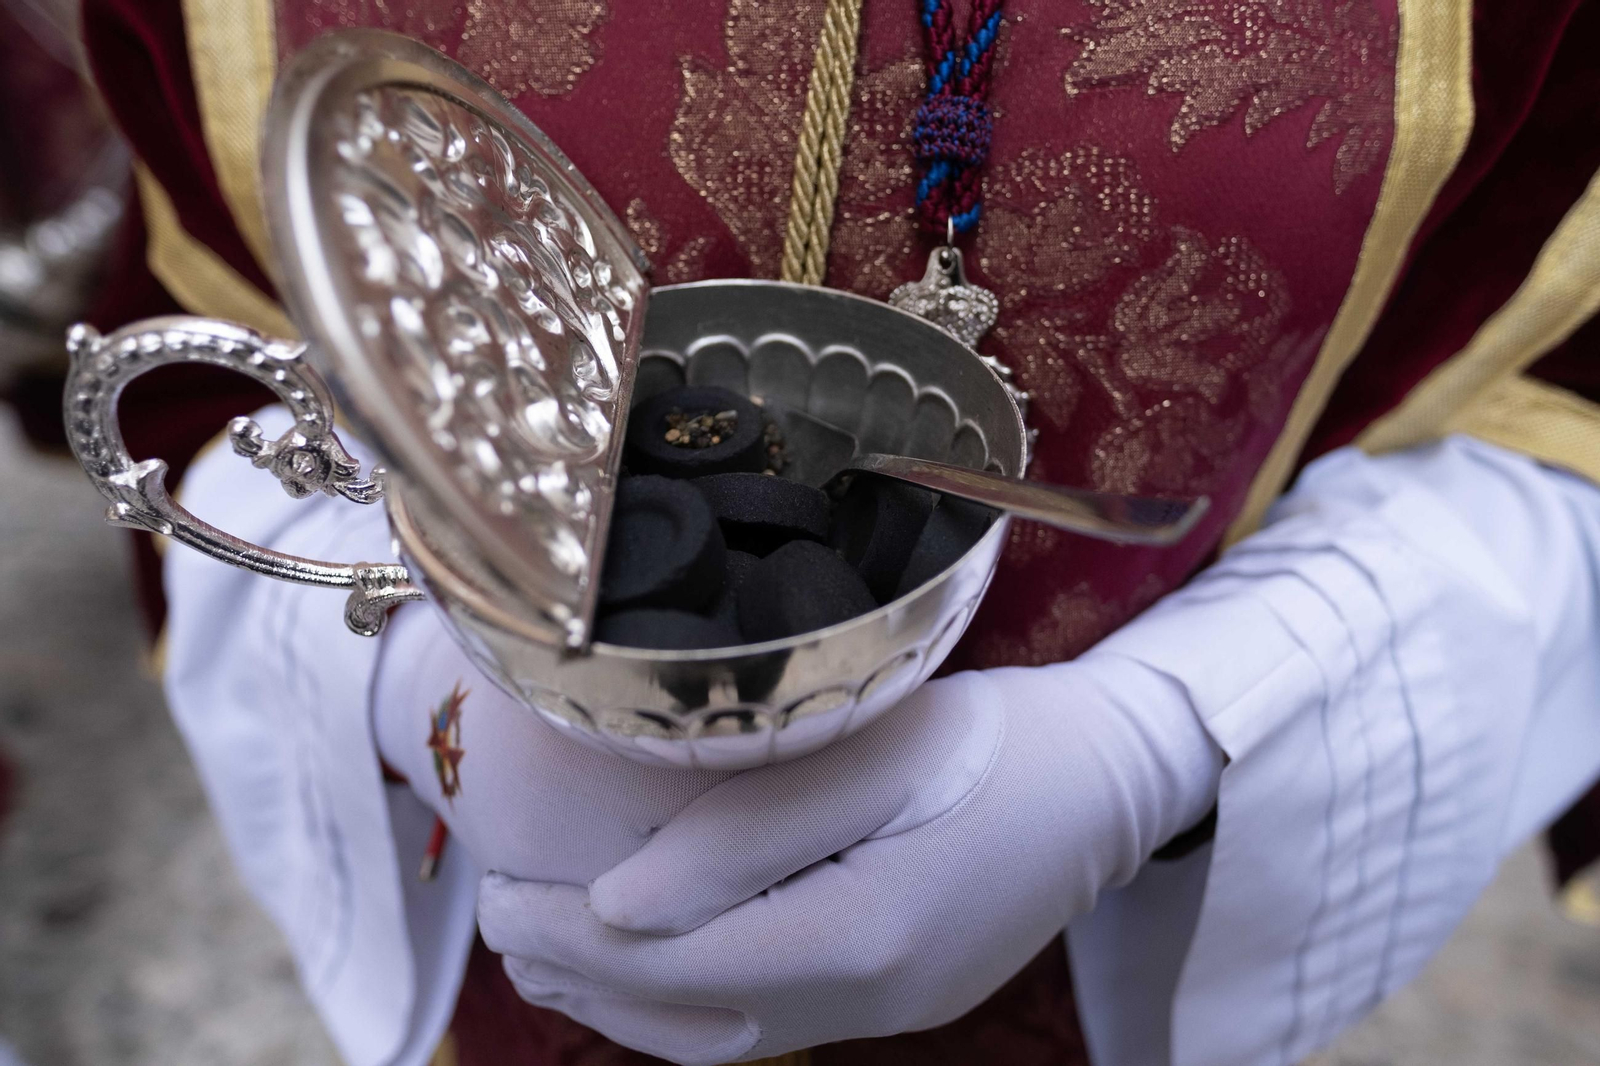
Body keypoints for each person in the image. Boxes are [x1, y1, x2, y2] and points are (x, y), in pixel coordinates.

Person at [74, 1, 1600, 1064]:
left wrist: (1173, 737)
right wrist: (426, 696)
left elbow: (1553, 407)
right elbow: (216, 351)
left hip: (1098, 962)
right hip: (530, 940)